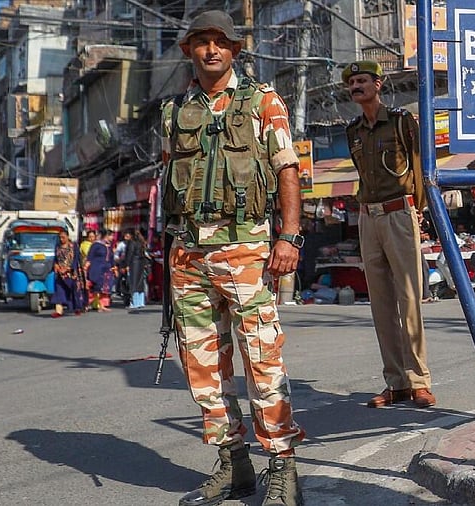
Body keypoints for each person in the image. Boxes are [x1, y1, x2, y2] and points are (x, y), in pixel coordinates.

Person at [161, 11, 307, 506]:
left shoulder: (263, 101)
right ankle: (233, 464)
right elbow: (168, 183)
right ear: (189, 51)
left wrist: (290, 237)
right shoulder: (176, 111)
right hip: (187, 252)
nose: (211, 50)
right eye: (201, 42)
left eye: (220, 42)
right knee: (202, 364)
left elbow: (287, 169)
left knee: (262, 358)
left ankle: (282, 468)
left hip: (245, 246)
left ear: (235, 50)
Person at [343, 60, 436, 410]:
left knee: (410, 300)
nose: (357, 87)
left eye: (363, 80)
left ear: (378, 84)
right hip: (368, 217)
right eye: (352, 82)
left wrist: (420, 211)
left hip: (400, 213)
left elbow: (420, 168)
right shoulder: (352, 131)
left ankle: (419, 381)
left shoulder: (400, 122)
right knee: (381, 305)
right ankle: (395, 383)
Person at [50, 229, 84, 317]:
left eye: (63, 237)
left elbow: (76, 259)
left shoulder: (74, 246)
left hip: (71, 273)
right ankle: (59, 311)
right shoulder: (57, 246)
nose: (61, 239)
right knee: (59, 290)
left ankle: (77, 308)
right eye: (60, 237)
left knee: (74, 291)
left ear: (67, 237)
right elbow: (55, 258)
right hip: (60, 274)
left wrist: (69, 268)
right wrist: (56, 265)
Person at [85, 229, 115, 311]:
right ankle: (86, 304)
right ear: (106, 236)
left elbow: (111, 258)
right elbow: (90, 256)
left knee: (104, 287)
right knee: (94, 286)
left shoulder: (109, 246)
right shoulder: (96, 245)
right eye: (111, 236)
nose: (113, 238)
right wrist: (87, 265)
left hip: (106, 269)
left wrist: (113, 267)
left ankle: (102, 305)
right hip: (96, 268)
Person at [123, 228, 149, 310]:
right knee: (140, 283)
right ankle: (141, 302)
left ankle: (134, 302)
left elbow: (129, 254)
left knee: (133, 283)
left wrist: (126, 265)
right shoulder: (141, 243)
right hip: (141, 263)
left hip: (133, 264)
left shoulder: (131, 243)